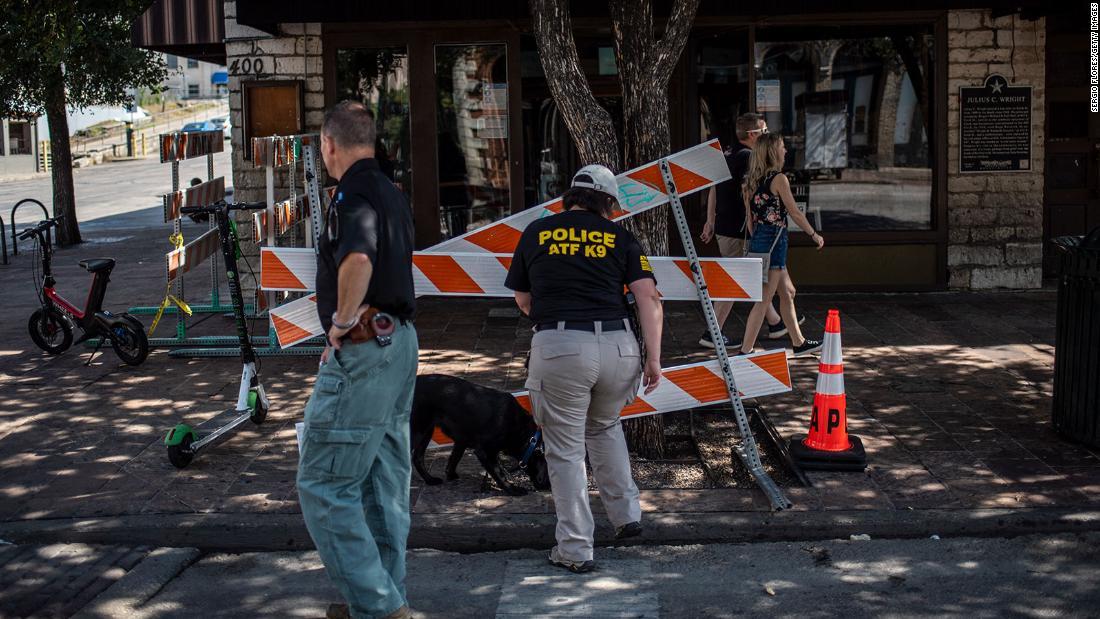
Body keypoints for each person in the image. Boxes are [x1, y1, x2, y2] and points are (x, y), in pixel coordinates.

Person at [505, 164, 664, 573]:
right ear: (608, 203)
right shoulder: (620, 236)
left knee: (565, 450)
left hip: (560, 346)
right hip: (619, 347)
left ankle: (575, 549)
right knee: (605, 426)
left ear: (569, 198)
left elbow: (523, 300)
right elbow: (649, 298)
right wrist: (653, 358)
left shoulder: (538, 232)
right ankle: (627, 516)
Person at [297, 101, 418, 619]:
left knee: (323, 483)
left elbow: (359, 258)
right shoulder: (390, 189)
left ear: (328, 144)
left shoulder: (353, 192)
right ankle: (380, 598)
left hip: (367, 347)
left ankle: (380, 607)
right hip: (399, 345)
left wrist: (341, 323)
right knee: (381, 485)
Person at [700, 113, 802, 349]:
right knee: (738, 280)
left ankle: (776, 322)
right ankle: (712, 332)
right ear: (753, 135)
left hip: (726, 227)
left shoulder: (727, 153)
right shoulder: (748, 157)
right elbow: (750, 191)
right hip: (739, 230)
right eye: (764, 131)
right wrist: (751, 219)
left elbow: (714, 188)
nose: (768, 136)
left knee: (756, 279)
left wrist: (710, 219)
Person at [737, 132, 823, 357]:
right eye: (782, 146)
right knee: (765, 300)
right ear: (773, 152)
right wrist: (814, 234)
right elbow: (794, 211)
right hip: (775, 240)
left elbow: (750, 222)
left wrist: (759, 242)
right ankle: (745, 350)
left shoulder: (750, 182)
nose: (785, 150)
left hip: (760, 240)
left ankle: (799, 342)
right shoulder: (779, 179)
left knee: (788, 293)